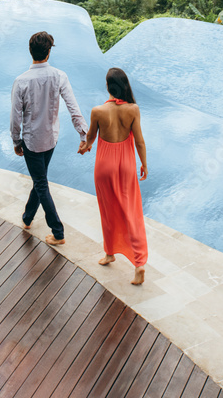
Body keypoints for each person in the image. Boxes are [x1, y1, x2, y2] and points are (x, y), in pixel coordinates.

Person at [11, 30, 88, 246]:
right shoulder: (60, 76)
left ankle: (58, 232)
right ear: (48, 53)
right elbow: (74, 108)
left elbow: (15, 117)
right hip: (51, 140)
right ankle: (27, 218)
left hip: (32, 141)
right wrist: (83, 134)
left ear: (31, 51)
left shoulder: (21, 81)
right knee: (40, 179)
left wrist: (16, 141)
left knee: (41, 183)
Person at [78, 66, 148, 284]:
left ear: (107, 86)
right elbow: (139, 141)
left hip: (105, 167)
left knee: (107, 211)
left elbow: (90, 138)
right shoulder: (133, 109)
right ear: (124, 86)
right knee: (131, 213)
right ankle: (138, 264)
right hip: (127, 166)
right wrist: (144, 164)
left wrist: (84, 147)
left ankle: (110, 253)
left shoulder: (97, 111)